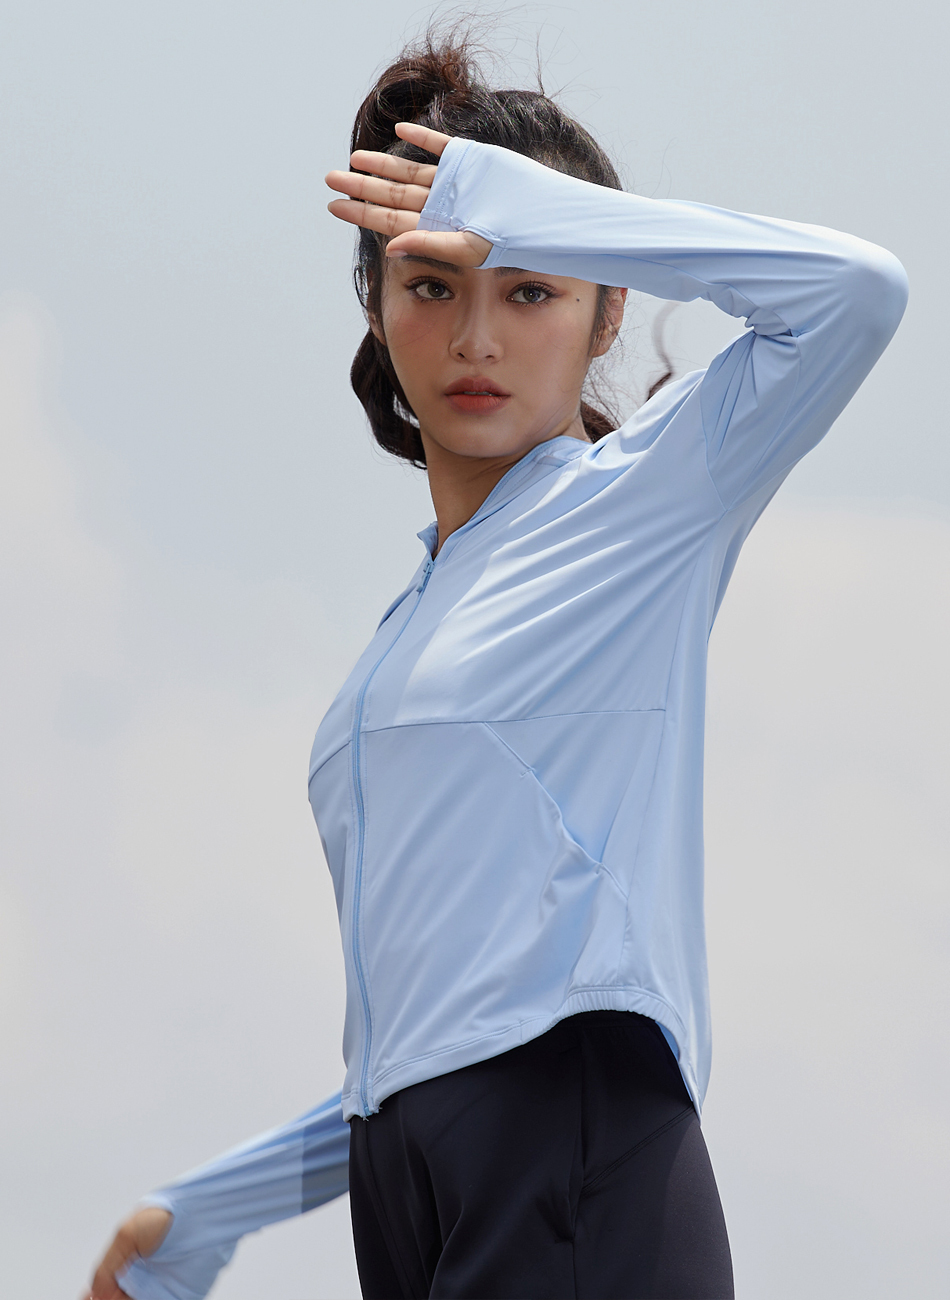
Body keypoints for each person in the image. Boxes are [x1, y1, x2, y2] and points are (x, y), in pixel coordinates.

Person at [87, 32, 908, 1300]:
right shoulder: (391, 649)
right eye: (431, 285)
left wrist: (540, 209)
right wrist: (208, 1208)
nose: (475, 335)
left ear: (605, 308)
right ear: (376, 307)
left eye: (530, 290)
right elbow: (430, 1038)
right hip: (410, 1195)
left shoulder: (642, 508)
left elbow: (856, 291)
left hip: (571, 1162)